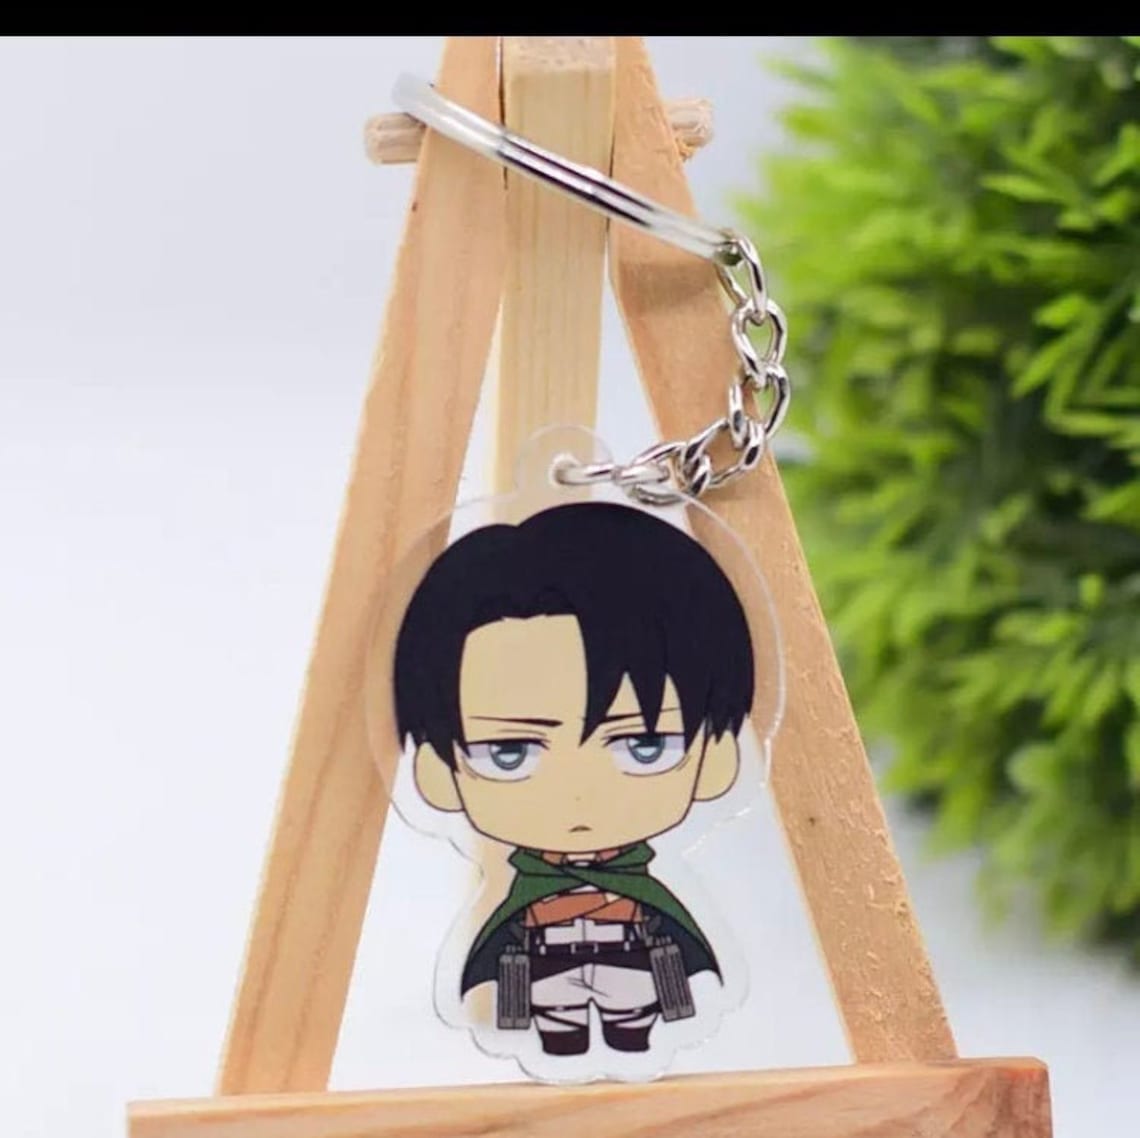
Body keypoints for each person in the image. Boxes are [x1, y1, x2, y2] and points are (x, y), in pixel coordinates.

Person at [393, 501, 754, 1056]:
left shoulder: (648, 892)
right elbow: (508, 943)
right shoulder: (521, 894)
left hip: (630, 968)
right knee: (559, 1037)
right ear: (438, 772)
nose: (578, 794)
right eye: (509, 753)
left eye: (645, 746)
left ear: (717, 756)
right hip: (548, 973)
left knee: (632, 1035)